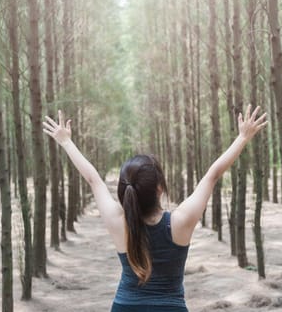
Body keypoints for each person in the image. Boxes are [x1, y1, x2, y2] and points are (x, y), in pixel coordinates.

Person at [42, 105, 267, 312]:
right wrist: (242, 137)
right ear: (160, 187)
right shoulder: (180, 221)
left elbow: (93, 179)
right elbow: (212, 175)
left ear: (124, 190)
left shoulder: (118, 221)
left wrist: (66, 141)